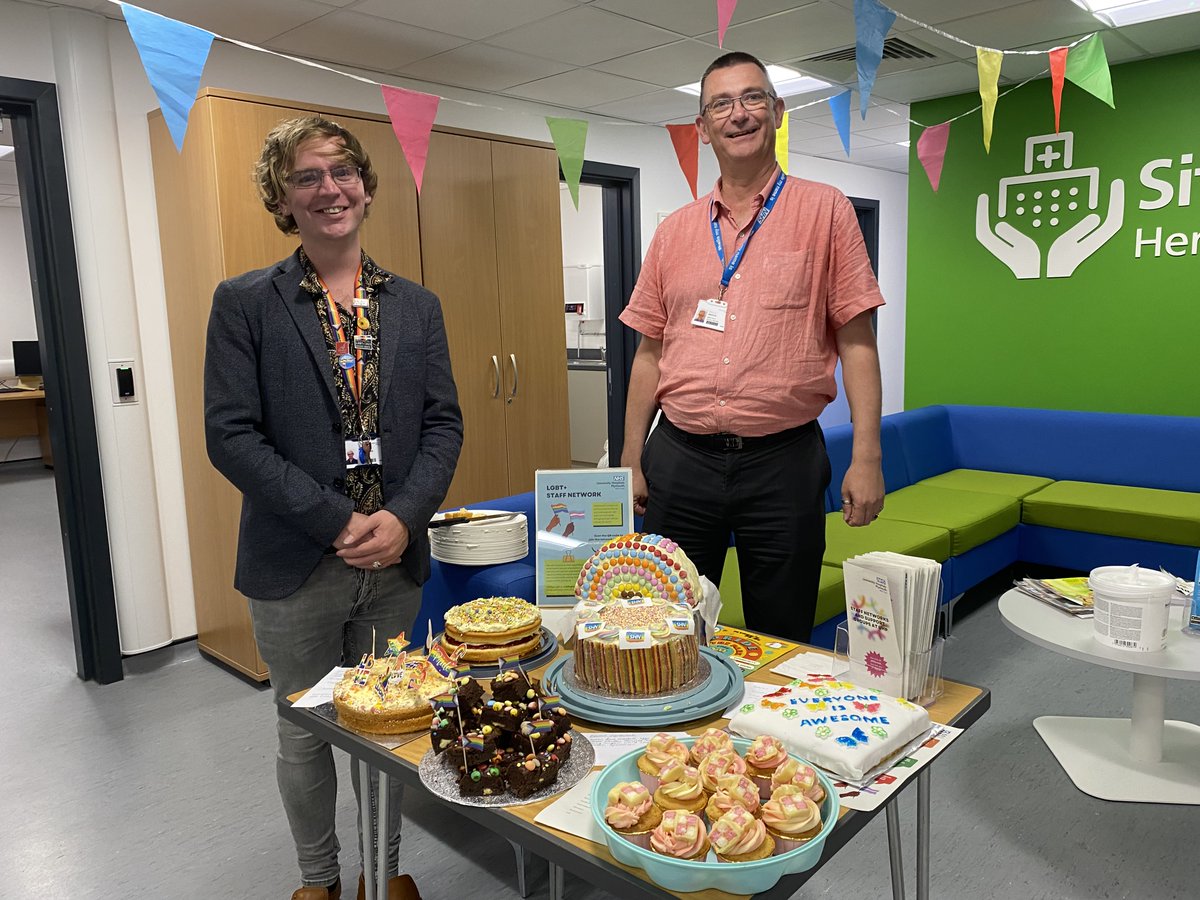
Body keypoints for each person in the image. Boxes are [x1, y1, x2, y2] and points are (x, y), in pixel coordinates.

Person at [205, 115, 463, 900]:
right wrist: (336, 520)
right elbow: (231, 435)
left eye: (342, 172)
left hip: (394, 563)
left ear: (367, 187)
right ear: (283, 200)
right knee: (304, 732)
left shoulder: (416, 306)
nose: (330, 189)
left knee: (389, 729)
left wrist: (402, 516)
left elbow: (444, 424)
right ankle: (319, 881)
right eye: (308, 177)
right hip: (296, 568)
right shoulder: (245, 302)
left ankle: (383, 875)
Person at [620, 52, 886, 644]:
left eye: (752, 98)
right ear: (703, 127)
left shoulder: (826, 211)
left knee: (783, 629)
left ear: (777, 111)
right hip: (680, 460)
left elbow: (858, 343)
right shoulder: (674, 232)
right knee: (666, 628)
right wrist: (631, 456)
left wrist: (867, 454)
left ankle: (772, 739)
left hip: (783, 464)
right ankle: (678, 738)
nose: (738, 114)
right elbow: (648, 352)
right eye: (721, 103)